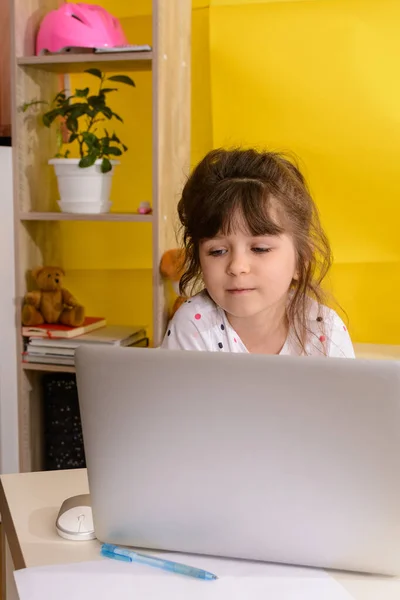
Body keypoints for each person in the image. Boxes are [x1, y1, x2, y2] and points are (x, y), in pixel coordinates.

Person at [161, 148, 355, 358]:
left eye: (260, 249)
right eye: (217, 251)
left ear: (301, 261)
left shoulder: (325, 331)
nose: (237, 266)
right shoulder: (192, 326)